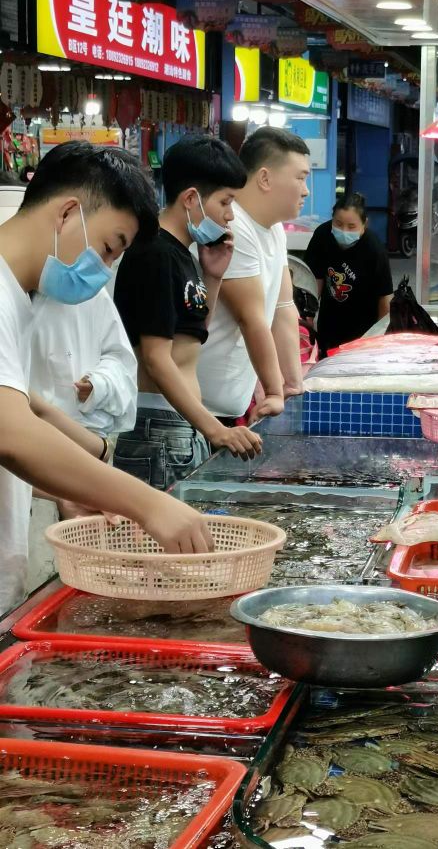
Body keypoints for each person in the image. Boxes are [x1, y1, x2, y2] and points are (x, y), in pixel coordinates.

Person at [0, 140, 213, 615]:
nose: (106, 267)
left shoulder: (19, 299)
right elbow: (11, 431)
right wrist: (148, 504)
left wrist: (66, 489)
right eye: (109, 246)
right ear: (68, 213)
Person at [114, 135, 262, 489]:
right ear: (191, 198)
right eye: (226, 202)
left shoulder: (184, 254)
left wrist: (212, 274)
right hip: (157, 426)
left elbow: (193, 331)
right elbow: (156, 359)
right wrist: (214, 428)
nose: (230, 215)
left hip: (178, 423)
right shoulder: (155, 253)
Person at [197, 127, 307, 425]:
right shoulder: (236, 228)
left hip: (232, 402)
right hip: (201, 407)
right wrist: (273, 391)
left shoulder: (274, 230)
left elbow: (284, 309)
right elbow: (251, 318)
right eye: (300, 177)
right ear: (265, 178)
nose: (306, 190)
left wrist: (293, 385)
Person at [30, 288, 137, 440]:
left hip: (83, 436)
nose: (104, 268)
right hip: (25, 432)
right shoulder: (10, 292)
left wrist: (99, 384)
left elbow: (121, 360)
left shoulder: (91, 291)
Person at [304, 193, 394, 357]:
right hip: (329, 321)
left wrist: (379, 336)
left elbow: (385, 297)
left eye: (351, 226)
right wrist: (307, 315)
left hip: (363, 327)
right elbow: (314, 279)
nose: (344, 231)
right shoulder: (322, 236)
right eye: (338, 224)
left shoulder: (374, 249)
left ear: (364, 224)